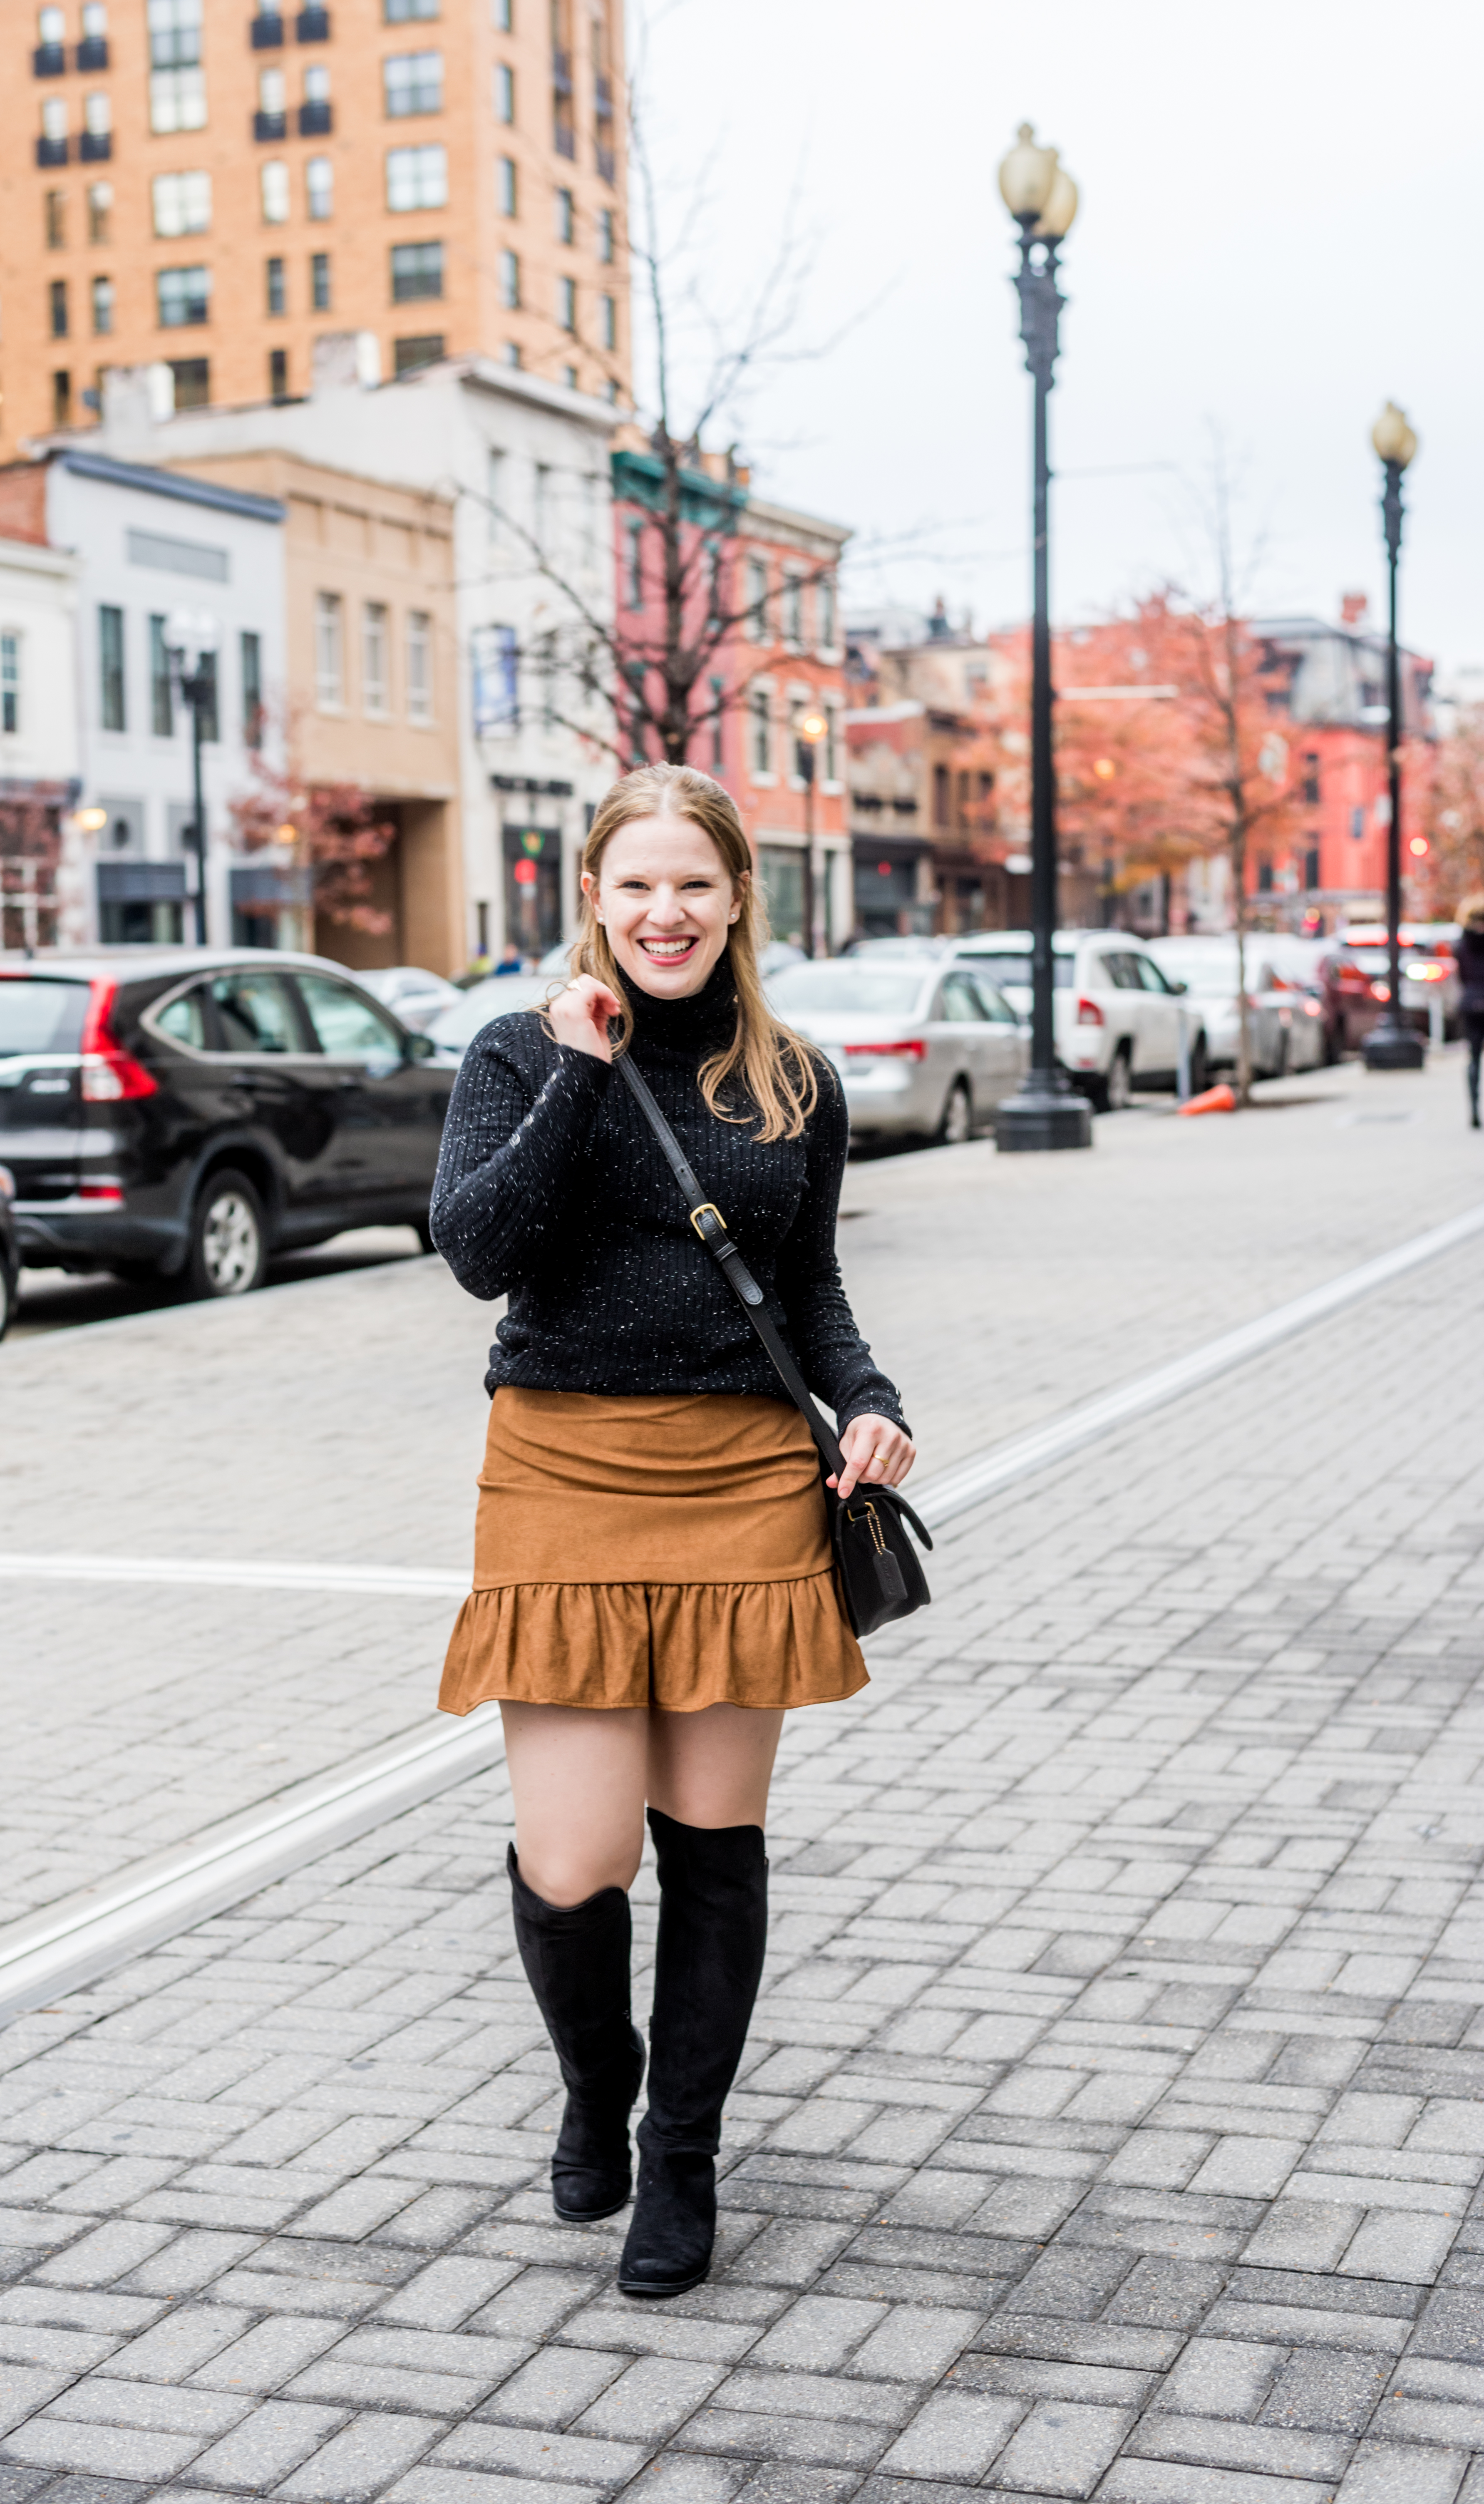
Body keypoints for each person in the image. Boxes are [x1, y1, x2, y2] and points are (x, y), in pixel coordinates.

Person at [429, 761, 915, 2300]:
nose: (664, 910)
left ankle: (680, 2154)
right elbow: (479, 1251)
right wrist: (583, 1066)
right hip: (564, 1469)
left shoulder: (795, 1079)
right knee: (575, 1858)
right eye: (635, 883)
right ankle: (597, 2078)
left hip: (745, 1479)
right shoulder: (517, 1050)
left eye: (693, 883)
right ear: (592, 894)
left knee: (715, 1842)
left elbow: (812, 1285)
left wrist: (872, 1398)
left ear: (734, 898)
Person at [1458, 896, 1484, 1130]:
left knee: (1474, 1059)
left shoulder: (1463, 943)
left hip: (1471, 1003)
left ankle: (1474, 1110)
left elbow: (1463, 977)